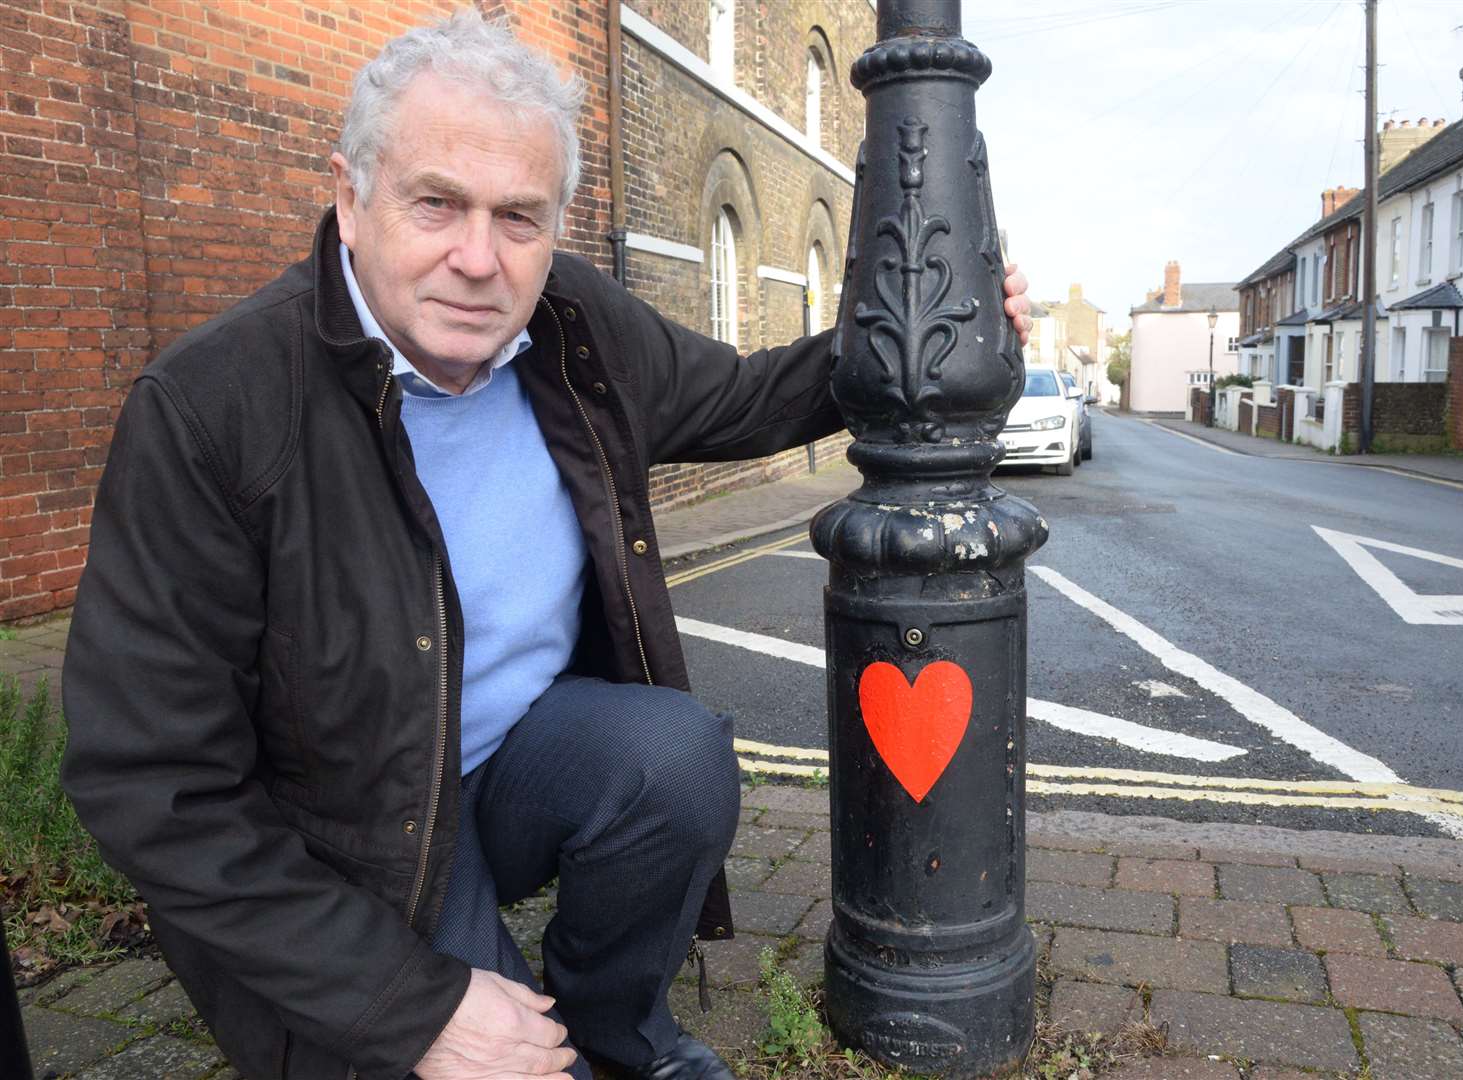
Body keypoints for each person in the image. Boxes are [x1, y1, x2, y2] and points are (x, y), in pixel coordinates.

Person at [60, 13, 1031, 1080]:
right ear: (351, 196)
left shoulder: (575, 329)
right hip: (345, 831)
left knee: (673, 757)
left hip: (510, 766)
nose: (477, 258)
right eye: (436, 203)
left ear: (555, 222)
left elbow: (749, 398)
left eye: (518, 218)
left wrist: (931, 323)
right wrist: (409, 1005)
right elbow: (153, 782)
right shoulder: (212, 407)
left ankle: (618, 1038)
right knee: (493, 1058)